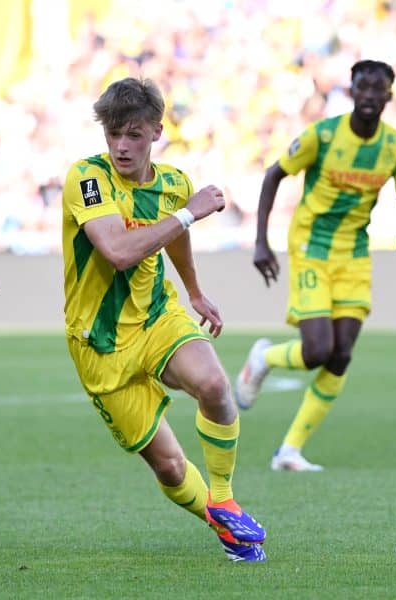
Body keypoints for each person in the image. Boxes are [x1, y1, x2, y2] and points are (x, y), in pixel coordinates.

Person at [61, 77, 266, 562]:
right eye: (113, 134)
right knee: (171, 468)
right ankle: (224, 527)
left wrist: (193, 291)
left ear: (156, 131)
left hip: (156, 316)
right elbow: (117, 252)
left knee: (214, 384)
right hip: (100, 344)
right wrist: (189, 215)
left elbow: (174, 236)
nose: (121, 146)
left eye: (133, 134)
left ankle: (224, 498)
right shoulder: (88, 178)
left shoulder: (174, 184)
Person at [235, 60, 396, 472]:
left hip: (354, 252)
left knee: (341, 354)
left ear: (389, 96)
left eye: (377, 89)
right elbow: (272, 176)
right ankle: (264, 358)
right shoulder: (321, 136)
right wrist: (261, 241)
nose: (369, 95)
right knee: (318, 351)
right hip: (312, 246)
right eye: (362, 87)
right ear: (351, 91)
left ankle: (289, 451)